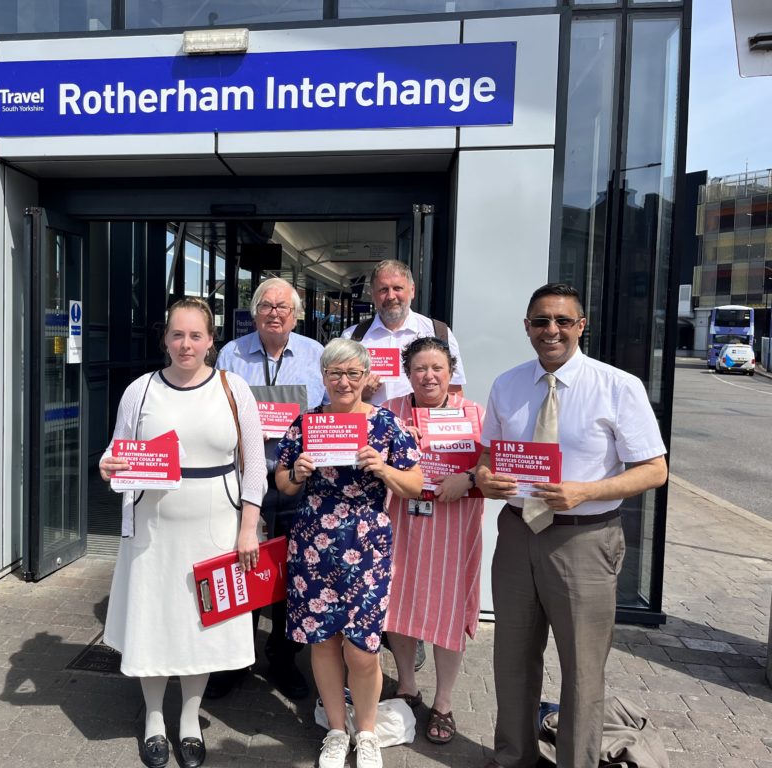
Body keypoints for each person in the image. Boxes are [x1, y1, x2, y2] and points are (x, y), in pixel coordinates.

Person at [474, 283, 668, 768]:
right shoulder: (507, 384)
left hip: (585, 538)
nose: (551, 330)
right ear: (527, 328)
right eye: (541, 321)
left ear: (583, 325)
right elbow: (485, 455)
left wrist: (584, 491)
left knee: (582, 669)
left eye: (562, 321)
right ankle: (512, 758)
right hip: (518, 534)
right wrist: (484, 477)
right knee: (512, 660)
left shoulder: (618, 386)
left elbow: (654, 469)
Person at [99, 297, 267, 768]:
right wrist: (107, 466)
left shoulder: (235, 390)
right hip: (154, 528)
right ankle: (154, 717)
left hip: (216, 525)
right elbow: (115, 454)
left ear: (211, 341)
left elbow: (254, 467)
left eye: (196, 335)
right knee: (153, 622)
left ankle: (189, 719)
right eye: (177, 334)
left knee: (203, 625)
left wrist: (248, 529)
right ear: (165, 339)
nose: (186, 344)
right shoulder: (141, 390)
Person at [275, 338, 423, 768]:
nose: (343, 381)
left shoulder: (387, 426)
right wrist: (297, 473)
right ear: (323, 376)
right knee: (322, 641)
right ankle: (337, 731)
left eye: (352, 373)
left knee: (362, 648)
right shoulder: (305, 424)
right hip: (313, 545)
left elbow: (415, 484)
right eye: (335, 373)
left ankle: (368, 732)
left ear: (366, 377)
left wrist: (384, 468)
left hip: (367, 546)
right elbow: (282, 482)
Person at [210, 277, 326, 700]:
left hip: (296, 482)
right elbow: (216, 408)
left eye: (283, 306)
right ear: (254, 311)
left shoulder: (315, 355)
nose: (274, 312)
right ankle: (236, 659)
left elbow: (328, 413)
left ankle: (282, 656)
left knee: (289, 571)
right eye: (266, 305)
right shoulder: (231, 353)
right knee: (242, 569)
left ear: (295, 314)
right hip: (245, 482)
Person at [382, 336, 485, 745]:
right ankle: (407, 685)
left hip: (452, 526)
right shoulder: (390, 411)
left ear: (450, 372)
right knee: (400, 600)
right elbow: (367, 456)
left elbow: (491, 461)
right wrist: (393, 444)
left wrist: (472, 476)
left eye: (437, 368)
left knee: (447, 610)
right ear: (408, 373)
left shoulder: (473, 412)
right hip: (400, 523)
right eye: (420, 368)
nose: (428, 376)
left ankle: (443, 702)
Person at [343, 259, 466, 405]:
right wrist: (359, 393)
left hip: (420, 424)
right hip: (371, 425)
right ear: (372, 294)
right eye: (383, 289)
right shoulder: (352, 338)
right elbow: (336, 395)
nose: (391, 296)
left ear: (412, 290)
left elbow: (454, 391)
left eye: (397, 288)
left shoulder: (437, 332)